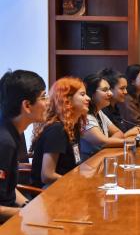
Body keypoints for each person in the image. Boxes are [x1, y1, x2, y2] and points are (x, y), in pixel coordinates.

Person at [0, 70, 47, 222]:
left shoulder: (12, 132)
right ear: (27, 105)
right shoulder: (5, 142)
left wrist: (28, 206)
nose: (48, 103)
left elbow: (9, 190)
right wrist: (28, 213)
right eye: (43, 97)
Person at [80, 74, 140, 160]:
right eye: (105, 90)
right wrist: (137, 141)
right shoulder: (85, 117)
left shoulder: (99, 112)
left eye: (109, 89)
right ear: (91, 94)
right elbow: (103, 142)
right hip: (89, 164)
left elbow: (118, 133)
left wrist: (109, 142)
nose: (110, 93)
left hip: (102, 159)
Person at [30, 77, 89, 188]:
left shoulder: (73, 126)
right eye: (82, 94)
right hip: (48, 190)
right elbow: (47, 176)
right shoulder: (57, 130)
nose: (88, 98)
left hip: (66, 183)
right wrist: (77, 182)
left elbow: (75, 162)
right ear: (67, 99)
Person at [98, 68, 140, 133]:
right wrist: (129, 133)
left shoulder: (116, 107)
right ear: (109, 88)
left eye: (126, 88)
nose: (126, 92)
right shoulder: (103, 111)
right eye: (122, 88)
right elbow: (111, 137)